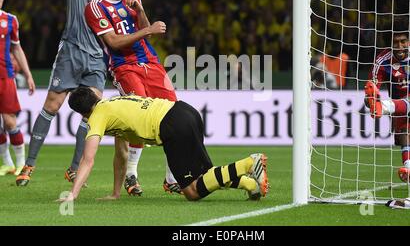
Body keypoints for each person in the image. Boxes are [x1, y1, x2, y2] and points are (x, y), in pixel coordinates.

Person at [15, 0, 116, 186]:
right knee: (52, 105)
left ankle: (73, 168)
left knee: (91, 112)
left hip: (96, 56)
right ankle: (29, 165)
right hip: (71, 50)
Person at [59, 86, 269, 202]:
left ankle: (249, 164)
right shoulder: (111, 104)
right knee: (205, 176)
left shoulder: (97, 117)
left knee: (192, 192)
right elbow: (121, 156)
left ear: (81, 113)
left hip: (171, 125)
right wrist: (115, 193)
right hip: (184, 111)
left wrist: (73, 194)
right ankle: (250, 184)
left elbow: (88, 160)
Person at [84, 0, 181, 195]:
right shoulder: (95, 8)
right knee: (138, 117)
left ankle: (171, 178)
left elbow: (145, 32)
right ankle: (131, 175)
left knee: (175, 115)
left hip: (151, 63)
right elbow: (114, 42)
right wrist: (148, 29)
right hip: (124, 67)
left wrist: (140, 11)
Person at [364, 22, 410, 189]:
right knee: (406, 136)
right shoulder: (381, 62)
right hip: (403, 110)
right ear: (389, 44)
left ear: (409, 41)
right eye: (395, 42)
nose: (400, 46)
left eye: (403, 41)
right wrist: (370, 100)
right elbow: (371, 90)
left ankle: (386, 106)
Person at [0, 0, 36, 176]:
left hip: (5, 76)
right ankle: (7, 163)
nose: (0, 0)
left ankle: (21, 163)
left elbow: (17, 48)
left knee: (9, 122)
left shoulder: (11, 20)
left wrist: (28, 75)